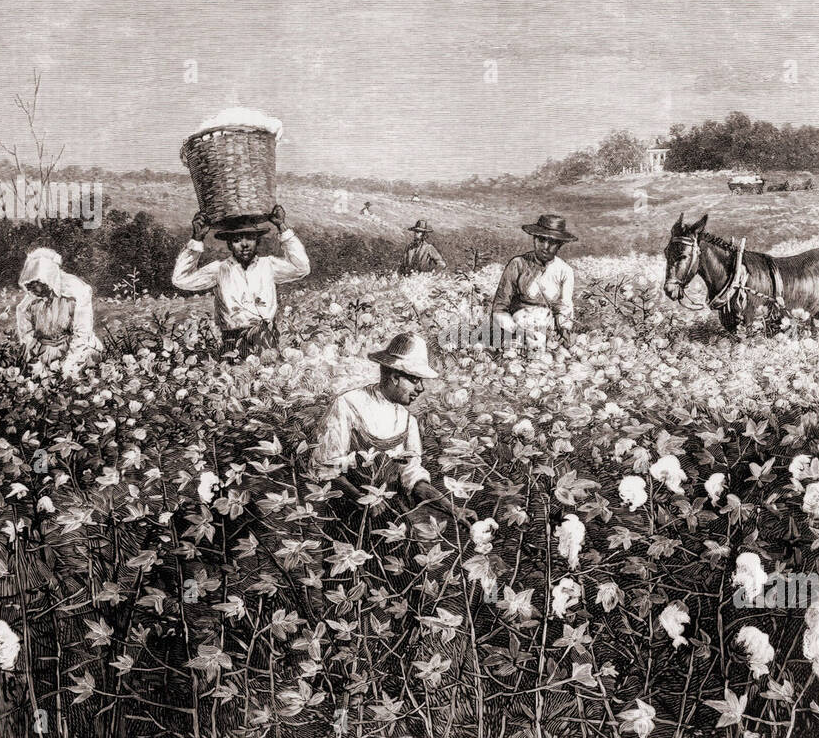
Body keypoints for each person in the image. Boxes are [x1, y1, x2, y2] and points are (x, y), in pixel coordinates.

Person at [311, 332, 474, 529]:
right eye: (415, 380)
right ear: (395, 377)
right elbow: (326, 468)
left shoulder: (408, 421)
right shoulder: (348, 404)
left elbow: (413, 479)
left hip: (392, 519)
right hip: (347, 517)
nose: (421, 388)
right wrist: (362, 499)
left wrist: (453, 510)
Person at [171, 205, 309, 357]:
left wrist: (282, 226)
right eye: (236, 240)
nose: (244, 245)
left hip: (267, 340)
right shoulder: (220, 269)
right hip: (232, 343)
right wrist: (197, 238)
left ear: (257, 241)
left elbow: (301, 268)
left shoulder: (268, 265)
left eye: (250, 238)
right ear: (229, 244)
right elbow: (180, 279)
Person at [490, 214, 577, 350]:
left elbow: (564, 307)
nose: (546, 247)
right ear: (534, 239)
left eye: (552, 242)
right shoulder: (517, 264)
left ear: (560, 245)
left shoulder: (565, 271)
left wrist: (564, 329)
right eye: (542, 240)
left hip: (548, 331)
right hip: (516, 330)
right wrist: (517, 329)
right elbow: (499, 308)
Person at [16, 247, 103, 378]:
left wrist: (68, 364)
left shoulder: (75, 292)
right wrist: (34, 358)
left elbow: (82, 333)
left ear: (47, 279)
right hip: (45, 351)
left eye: (35, 283)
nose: (30, 288)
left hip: (76, 348)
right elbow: (27, 335)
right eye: (28, 284)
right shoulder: (28, 304)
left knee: (73, 376)